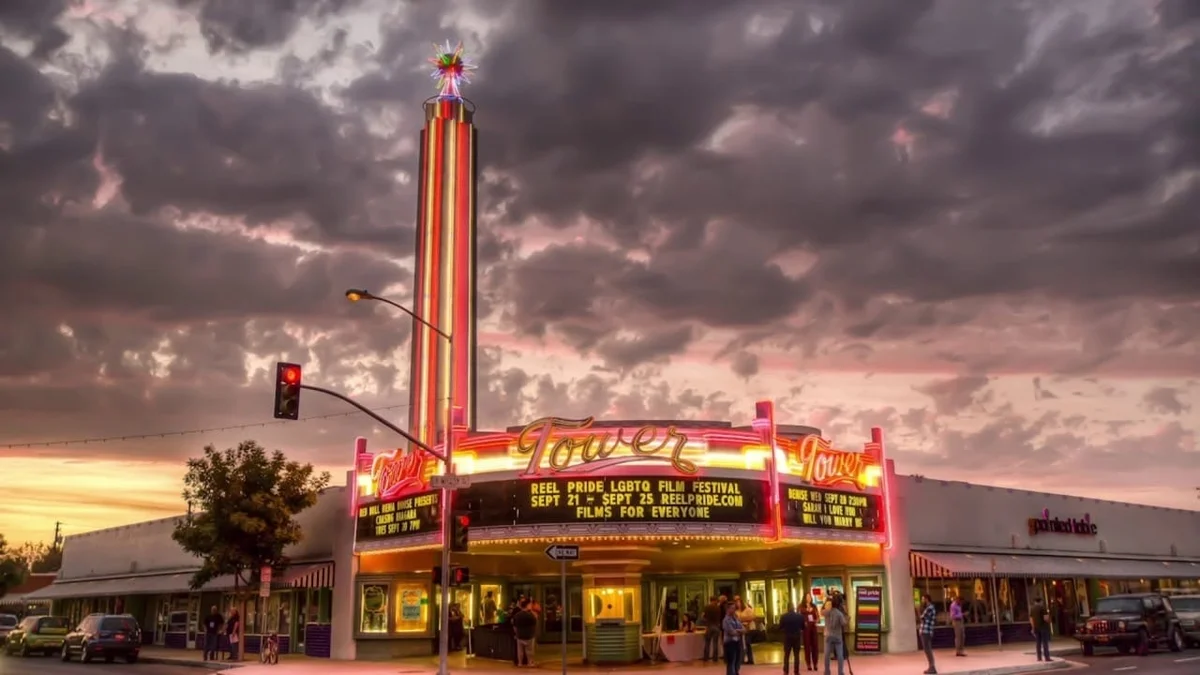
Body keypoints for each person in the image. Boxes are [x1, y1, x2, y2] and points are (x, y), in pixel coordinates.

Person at [821, 595, 847, 675]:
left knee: (827, 655)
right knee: (840, 655)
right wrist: (847, 619)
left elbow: (821, 611)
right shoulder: (839, 613)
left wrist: (825, 603)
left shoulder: (826, 612)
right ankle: (840, 672)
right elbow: (843, 623)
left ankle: (827, 672)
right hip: (838, 636)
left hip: (828, 636)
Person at [779, 602, 804, 675]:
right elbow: (803, 627)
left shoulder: (783, 616)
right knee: (796, 655)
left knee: (786, 655)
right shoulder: (800, 616)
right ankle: (796, 671)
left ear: (787, 608)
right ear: (794, 607)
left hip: (787, 637)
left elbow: (780, 627)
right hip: (797, 637)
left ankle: (786, 671)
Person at [512, 599, 538, 667]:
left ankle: (520, 663)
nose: (531, 606)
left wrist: (516, 633)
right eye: (530, 605)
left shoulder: (517, 615)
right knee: (529, 650)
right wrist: (531, 611)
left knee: (520, 650)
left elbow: (514, 626)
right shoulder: (530, 615)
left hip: (520, 635)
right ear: (527, 606)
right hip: (529, 635)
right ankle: (530, 663)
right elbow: (535, 620)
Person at [722, 602, 745, 675]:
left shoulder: (736, 619)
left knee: (738, 661)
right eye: (732, 608)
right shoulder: (725, 620)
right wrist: (739, 631)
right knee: (731, 661)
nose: (734, 610)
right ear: (727, 609)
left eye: (734, 608)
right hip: (729, 643)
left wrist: (738, 631)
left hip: (737, 642)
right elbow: (731, 632)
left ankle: (736, 672)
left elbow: (744, 629)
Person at [919, 594, 937, 675]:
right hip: (925, 631)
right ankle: (931, 666)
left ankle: (932, 667)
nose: (922, 601)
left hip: (926, 631)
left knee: (927, 649)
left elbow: (922, 618)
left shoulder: (930, 608)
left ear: (926, 599)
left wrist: (918, 610)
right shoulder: (929, 608)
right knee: (927, 649)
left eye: (923, 599)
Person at [800, 594, 819, 672]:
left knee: (815, 646)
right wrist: (803, 622)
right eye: (807, 597)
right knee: (807, 646)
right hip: (806, 629)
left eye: (810, 597)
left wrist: (816, 620)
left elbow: (818, 617)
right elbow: (799, 616)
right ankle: (808, 664)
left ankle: (815, 663)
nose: (809, 598)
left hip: (813, 628)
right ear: (804, 598)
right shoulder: (801, 606)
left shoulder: (814, 606)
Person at [1030, 597, 1052, 662]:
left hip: (1036, 628)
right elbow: (1046, 618)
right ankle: (1047, 657)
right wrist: (1049, 621)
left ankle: (1039, 657)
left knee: (1038, 643)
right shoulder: (1043, 608)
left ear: (1035, 601)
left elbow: (1031, 619)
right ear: (1041, 601)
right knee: (1045, 643)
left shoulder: (1032, 609)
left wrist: (1033, 627)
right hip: (1043, 628)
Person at [736, 597, 757, 665]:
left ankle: (750, 659)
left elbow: (753, 617)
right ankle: (743, 659)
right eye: (736, 602)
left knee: (747, 643)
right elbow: (736, 619)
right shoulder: (737, 611)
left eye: (738, 602)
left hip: (748, 628)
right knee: (742, 644)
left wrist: (743, 619)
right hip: (741, 629)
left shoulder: (747, 609)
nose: (737, 604)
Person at [703, 596, 723, 662]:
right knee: (715, 643)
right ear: (715, 600)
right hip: (716, 626)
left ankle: (706, 657)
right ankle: (715, 658)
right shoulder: (718, 608)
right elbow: (719, 617)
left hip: (709, 626)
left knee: (707, 643)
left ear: (710, 600)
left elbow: (704, 617)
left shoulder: (707, 607)